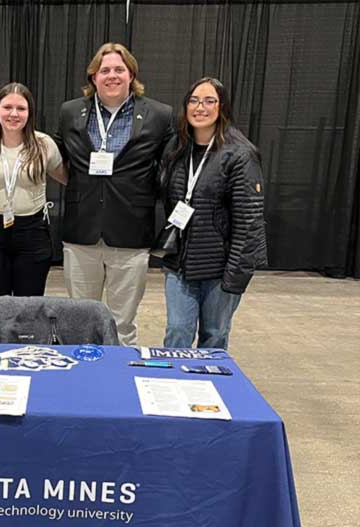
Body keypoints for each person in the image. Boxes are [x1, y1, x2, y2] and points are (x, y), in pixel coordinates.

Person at [54, 42, 173, 346]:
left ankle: (119, 387)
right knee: (80, 321)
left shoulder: (160, 114)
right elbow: (57, 158)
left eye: (119, 69)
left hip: (131, 233)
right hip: (82, 232)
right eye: (104, 70)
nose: (112, 75)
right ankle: (82, 387)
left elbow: (171, 168)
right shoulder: (70, 112)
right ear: (93, 77)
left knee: (122, 325)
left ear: (131, 74)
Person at [160, 77, 267, 349]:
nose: (200, 107)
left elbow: (249, 222)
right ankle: (171, 386)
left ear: (223, 107)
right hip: (180, 264)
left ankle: (207, 389)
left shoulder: (240, 154)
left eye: (210, 101)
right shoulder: (176, 148)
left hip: (220, 269)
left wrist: (235, 276)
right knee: (177, 332)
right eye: (194, 100)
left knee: (214, 335)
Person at [0, 83, 67, 307]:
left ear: (29, 113)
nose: (13, 114)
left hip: (33, 232)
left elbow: (68, 178)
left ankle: (26, 343)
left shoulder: (44, 144)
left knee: (29, 305)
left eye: (21, 108)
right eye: (7, 107)